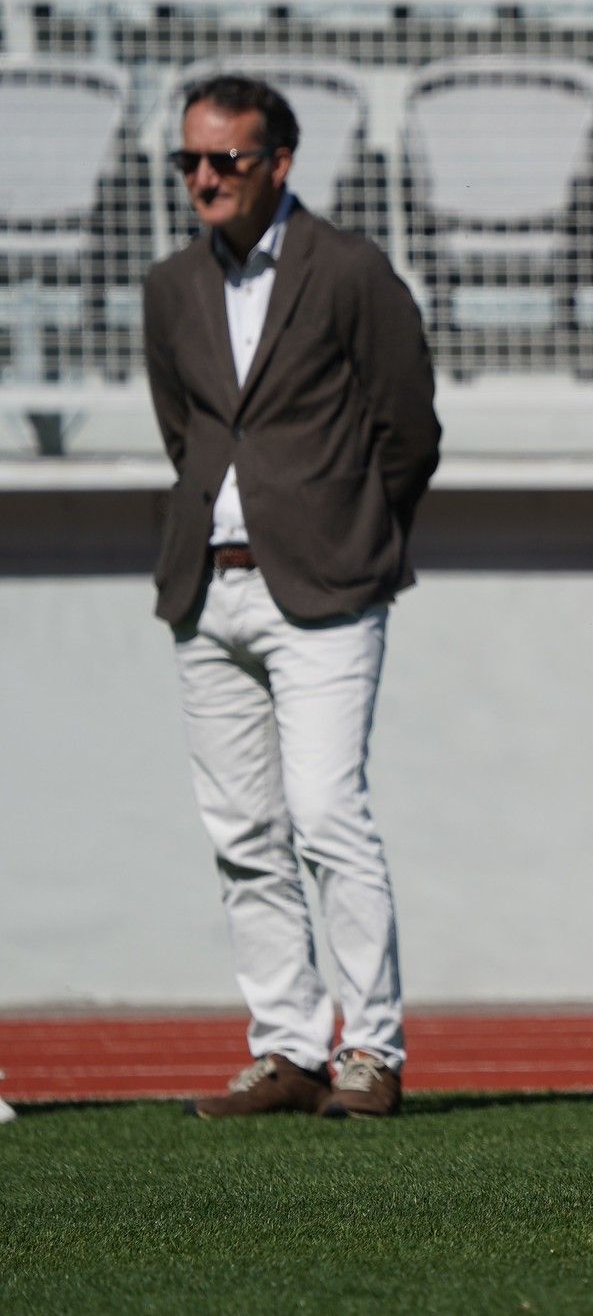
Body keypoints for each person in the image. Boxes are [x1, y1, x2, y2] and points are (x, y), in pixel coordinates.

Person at [143, 75, 440, 1120]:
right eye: (188, 160)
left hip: (326, 583)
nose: (203, 178)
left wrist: (355, 532)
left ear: (279, 162)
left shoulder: (350, 270)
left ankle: (370, 1049)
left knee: (325, 813)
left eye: (225, 158)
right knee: (242, 831)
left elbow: (409, 428)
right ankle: (285, 1044)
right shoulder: (170, 285)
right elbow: (185, 432)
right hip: (204, 589)